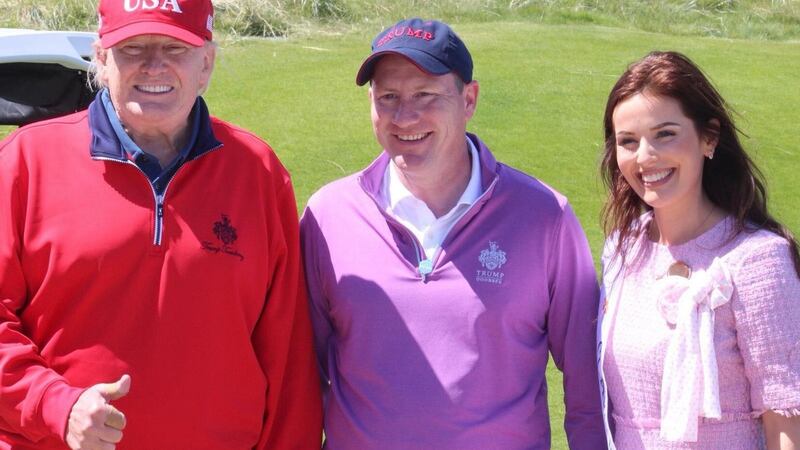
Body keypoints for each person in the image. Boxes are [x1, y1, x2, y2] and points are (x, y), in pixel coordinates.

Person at [0, 0, 322, 448]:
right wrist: (56, 405)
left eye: (175, 48)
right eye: (133, 48)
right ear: (101, 58)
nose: (154, 66)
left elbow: (288, 353)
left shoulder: (258, 172)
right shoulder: (25, 161)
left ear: (206, 64)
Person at [300, 17, 606, 449]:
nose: (404, 116)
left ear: (469, 99)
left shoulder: (544, 216)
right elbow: (300, 371)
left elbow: (586, 378)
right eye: (388, 97)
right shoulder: (329, 215)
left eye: (425, 95)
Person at [596, 50, 800, 449]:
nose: (645, 157)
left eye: (665, 134)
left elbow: (787, 423)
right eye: (628, 141)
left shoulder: (760, 260)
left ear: (709, 137)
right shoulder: (621, 250)